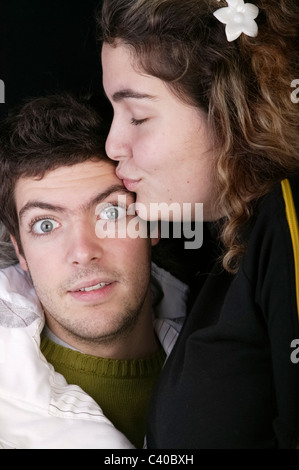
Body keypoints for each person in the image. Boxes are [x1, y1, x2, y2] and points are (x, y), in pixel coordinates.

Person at [98, 0, 299, 448]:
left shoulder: (287, 225)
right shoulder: (239, 243)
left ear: (230, 109)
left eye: (138, 117)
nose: (113, 144)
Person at [0, 93, 188, 449]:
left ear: (152, 222)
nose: (83, 252)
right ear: (20, 250)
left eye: (111, 213)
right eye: (45, 225)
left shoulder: (237, 364)